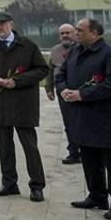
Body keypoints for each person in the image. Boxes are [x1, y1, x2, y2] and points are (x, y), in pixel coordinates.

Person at [57, 18, 111, 220]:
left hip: (106, 117)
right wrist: (63, 90)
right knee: (89, 159)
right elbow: (61, 75)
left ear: (95, 33)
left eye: (80, 30)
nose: (76, 34)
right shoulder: (74, 52)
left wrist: (83, 94)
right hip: (81, 116)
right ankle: (97, 195)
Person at [0, 11, 48, 202]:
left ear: (11, 24)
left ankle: (37, 185)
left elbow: (42, 69)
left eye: (2, 23)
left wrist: (18, 81)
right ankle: (9, 182)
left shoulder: (28, 46)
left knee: (29, 146)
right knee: (4, 146)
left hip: (23, 103)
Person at [45, 24, 82, 165]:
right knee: (69, 123)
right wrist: (49, 88)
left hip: (80, 91)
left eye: (68, 32)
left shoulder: (81, 49)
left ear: (74, 33)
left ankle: (88, 151)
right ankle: (73, 152)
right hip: (63, 92)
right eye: (62, 33)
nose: (65, 35)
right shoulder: (55, 51)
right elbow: (50, 70)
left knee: (83, 122)